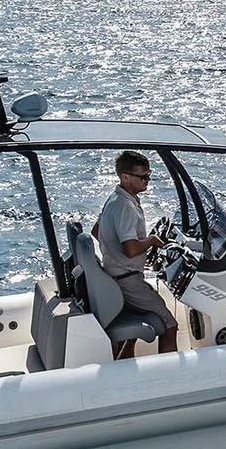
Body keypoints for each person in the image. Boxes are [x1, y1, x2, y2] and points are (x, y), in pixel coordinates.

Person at [92, 150, 180, 357]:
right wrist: (150, 241)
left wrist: (117, 255)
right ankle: (172, 378)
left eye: (148, 175)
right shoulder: (126, 207)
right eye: (142, 176)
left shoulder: (114, 199)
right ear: (125, 177)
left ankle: (125, 365)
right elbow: (131, 249)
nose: (147, 180)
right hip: (127, 280)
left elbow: (97, 231)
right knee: (170, 325)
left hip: (116, 274)